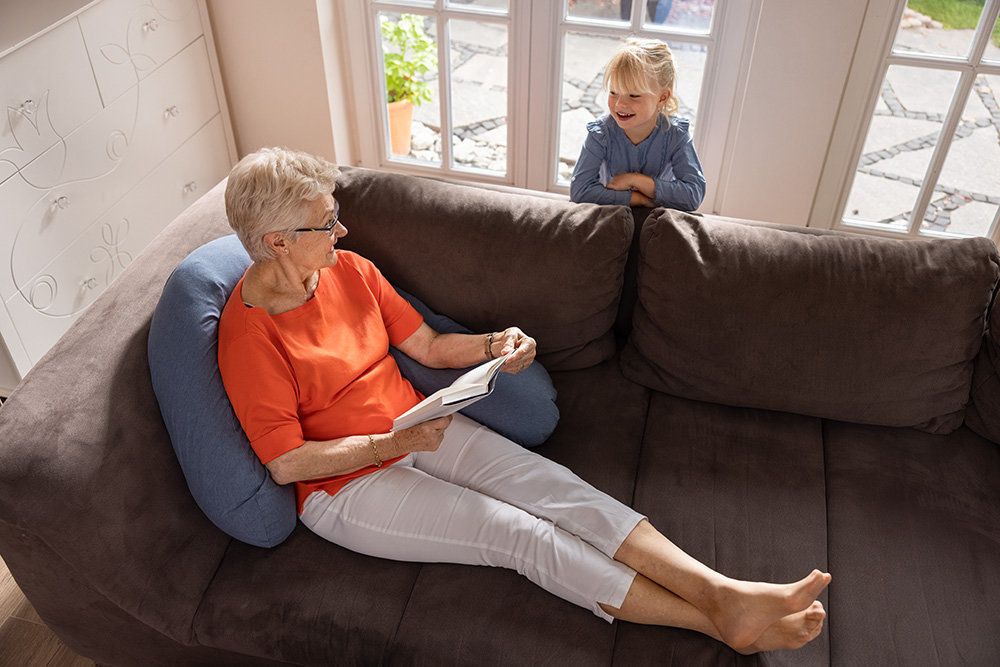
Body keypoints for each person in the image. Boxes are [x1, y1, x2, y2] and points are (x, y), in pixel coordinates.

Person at [218, 147, 829, 653]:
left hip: (418, 425)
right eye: (326, 223)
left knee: (558, 489)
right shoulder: (249, 336)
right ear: (277, 241)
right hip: (347, 486)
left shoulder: (349, 270)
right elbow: (286, 463)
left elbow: (427, 346)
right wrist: (390, 443)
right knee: (521, 536)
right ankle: (716, 623)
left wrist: (494, 345)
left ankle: (721, 591)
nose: (342, 230)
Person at [570, 37, 706, 210]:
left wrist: (636, 180)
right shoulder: (600, 133)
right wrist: (637, 199)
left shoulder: (676, 134)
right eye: (613, 92)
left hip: (656, 220)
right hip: (610, 215)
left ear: (662, 98)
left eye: (634, 95)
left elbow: (693, 195)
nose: (619, 104)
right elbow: (579, 191)